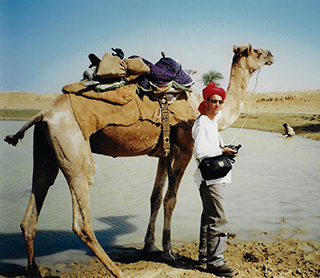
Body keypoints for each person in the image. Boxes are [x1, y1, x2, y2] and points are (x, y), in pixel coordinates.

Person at [192, 82, 238, 277]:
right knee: (219, 219)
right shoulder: (203, 123)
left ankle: (205, 257)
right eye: (214, 101)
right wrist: (222, 150)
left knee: (209, 217)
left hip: (213, 179)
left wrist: (226, 150)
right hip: (211, 181)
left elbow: (210, 148)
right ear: (206, 102)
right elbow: (201, 151)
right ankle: (215, 262)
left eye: (220, 101)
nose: (218, 105)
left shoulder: (211, 123)